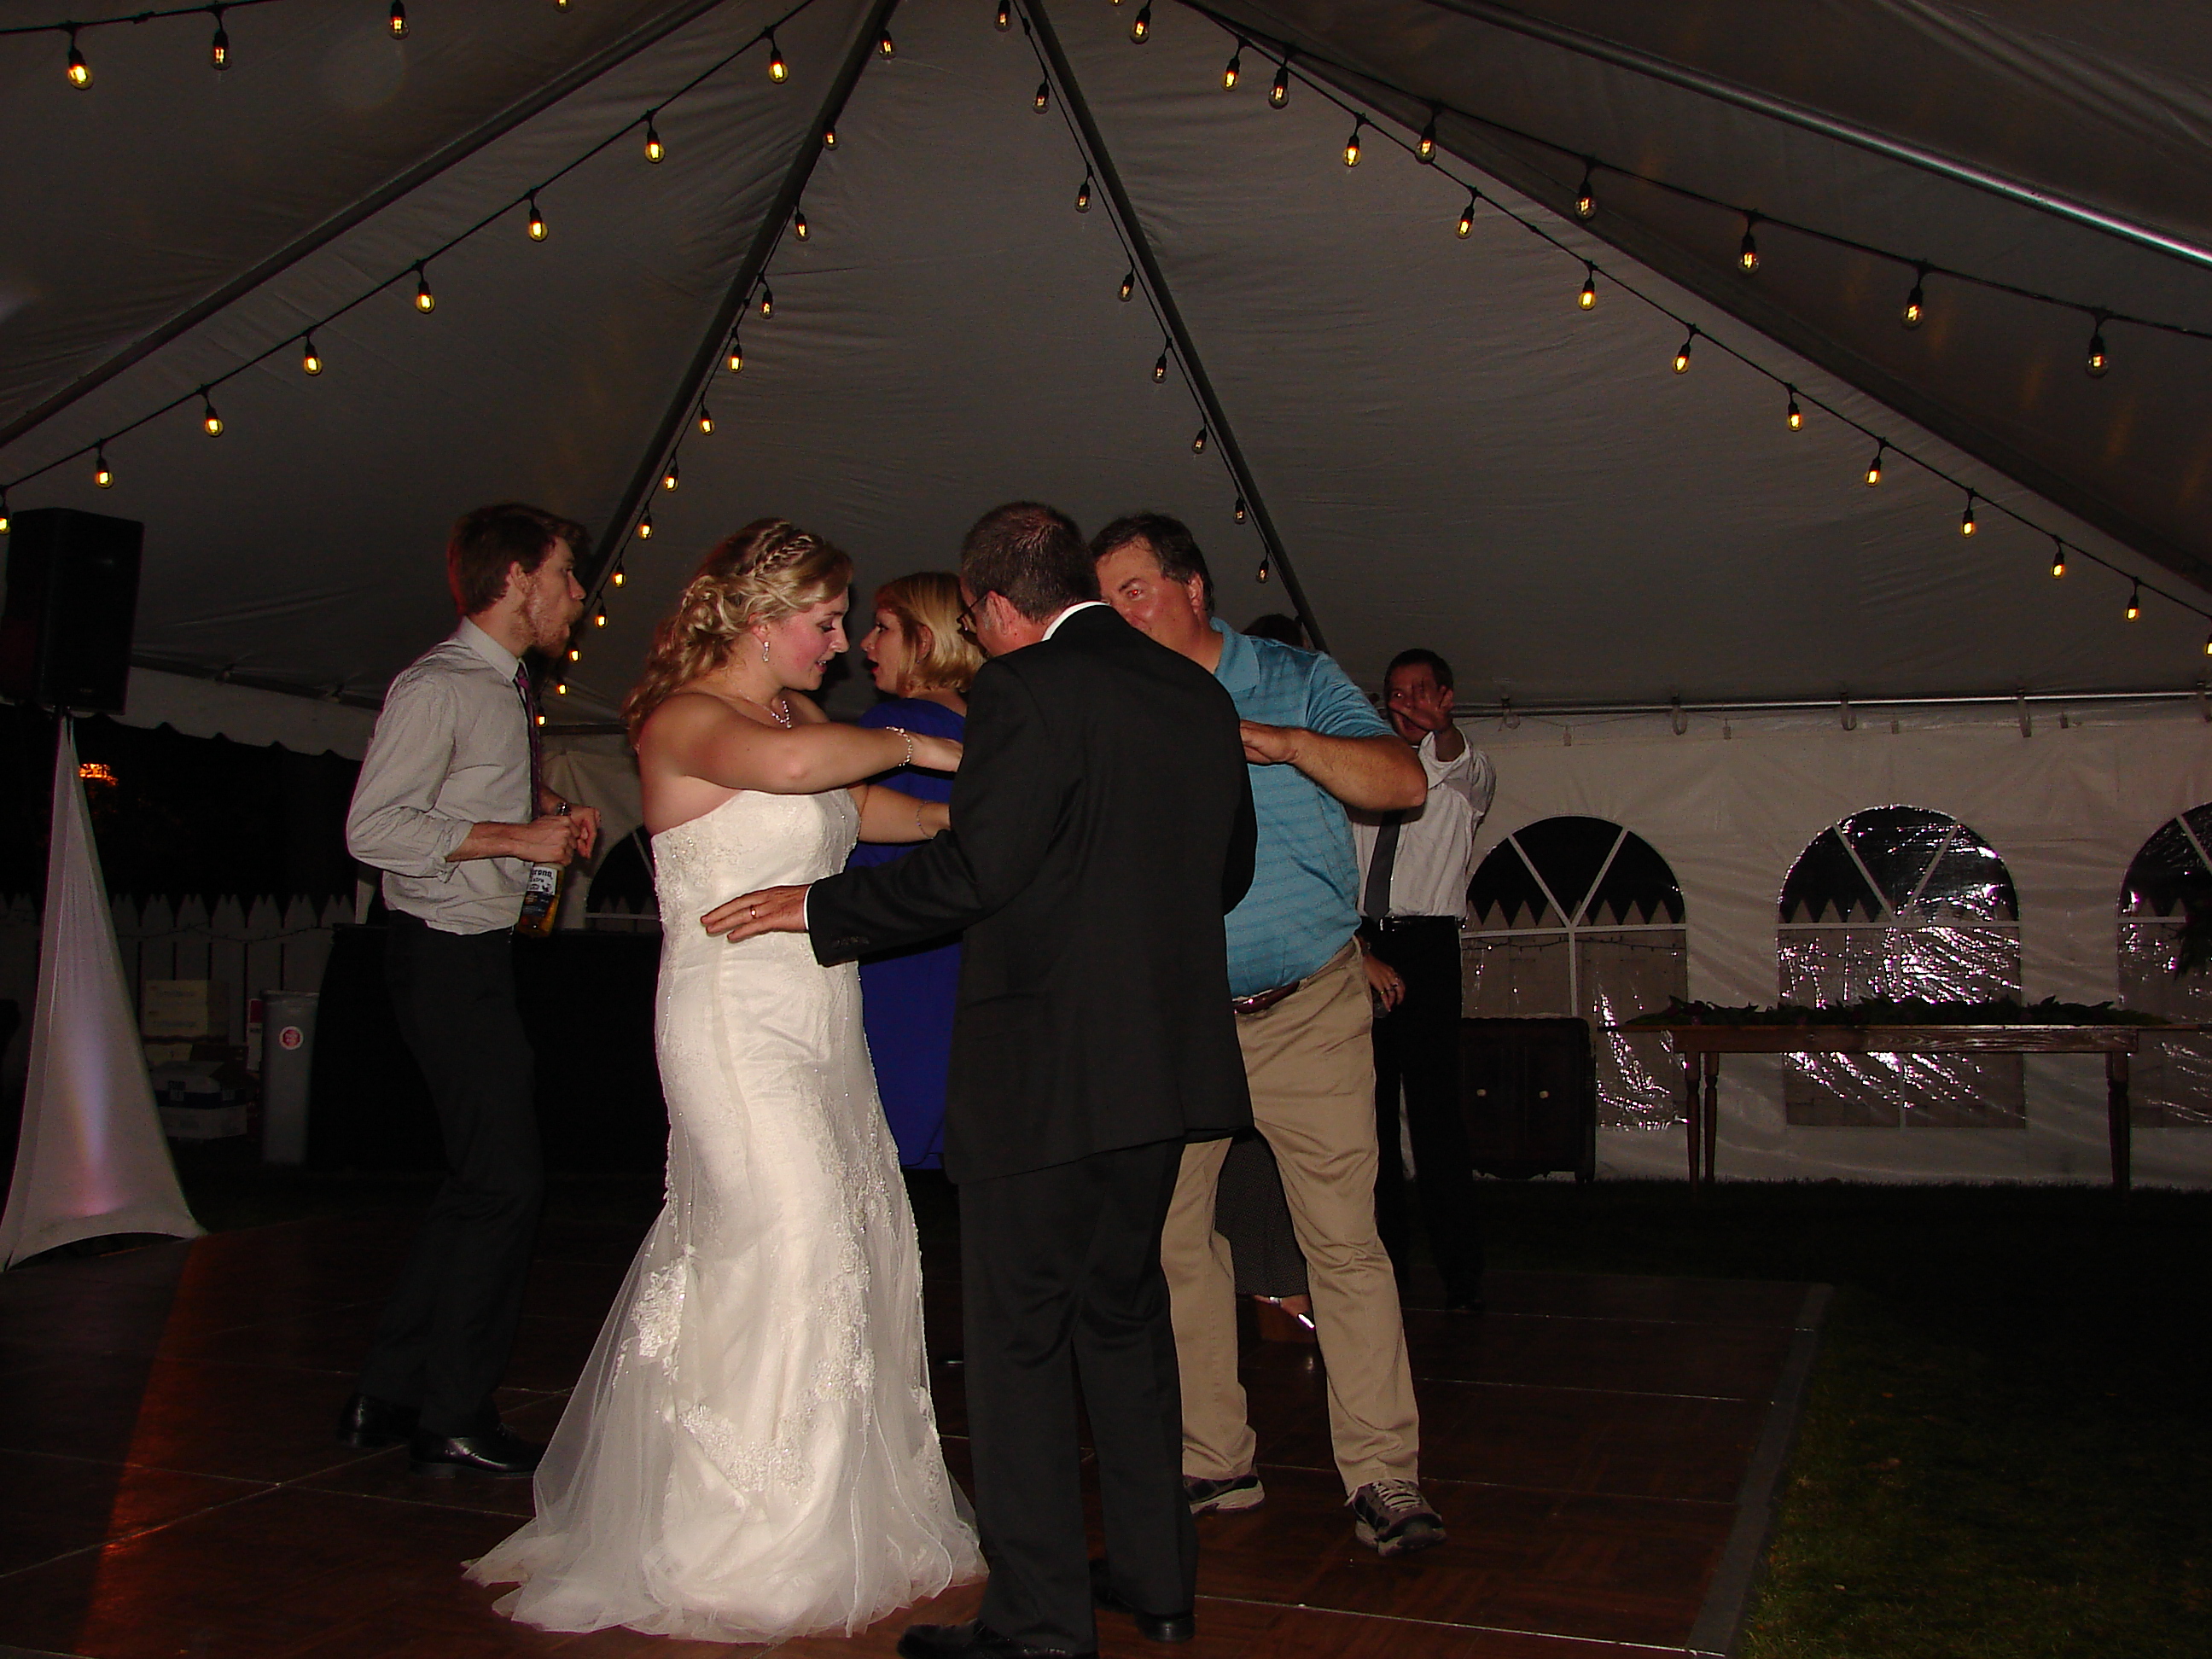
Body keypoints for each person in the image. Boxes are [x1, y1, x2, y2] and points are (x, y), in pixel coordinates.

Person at [710, 502, 1256, 1659]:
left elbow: (976, 871)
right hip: (1165, 1062)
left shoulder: (1023, 688)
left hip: (1045, 1068)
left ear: (997, 607)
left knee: (1018, 1340)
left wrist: (821, 909)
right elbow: (1227, 870)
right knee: (1125, 1315)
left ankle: (1039, 1620)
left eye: (976, 620)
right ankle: (1157, 1580)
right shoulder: (1193, 692)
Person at [467, 521, 981, 1641]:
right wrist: (916, 739)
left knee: (853, 1241)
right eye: (825, 621)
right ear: (759, 619)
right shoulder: (684, 718)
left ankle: (829, 1513)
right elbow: (800, 773)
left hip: (823, 1020)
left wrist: (975, 814)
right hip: (735, 1027)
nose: (839, 642)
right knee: (792, 1240)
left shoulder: (799, 720)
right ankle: (736, 1531)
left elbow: (859, 810)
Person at [1092, 512, 1451, 1560]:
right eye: (1104, 600)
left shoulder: (1295, 679)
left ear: (1194, 588)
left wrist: (1286, 745)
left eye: (1134, 591)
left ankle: (1382, 1474)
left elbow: (1403, 783)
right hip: (1180, 1019)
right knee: (1173, 1238)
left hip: (1307, 1011)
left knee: (1342, 1238)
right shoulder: (1112, 699)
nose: (1118, 615)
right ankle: (1215, 1459)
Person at [341, 502, 601, 1477]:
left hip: (472, 958)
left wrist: (544, 811)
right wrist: (513, 837)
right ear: (519, 579)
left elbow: (462, 795)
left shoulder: (504, 686)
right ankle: (453, 1413)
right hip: (443, 957)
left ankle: (384, 1395)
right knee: (506, 1184)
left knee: (479, 1182)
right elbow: (372, 828)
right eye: (566, 574)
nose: (578, 594)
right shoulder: (442, 685)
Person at [1354, 648, 1496, 1312]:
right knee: (1369, 1116)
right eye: (1396, 693)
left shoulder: (1463, 775)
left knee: (1436, 1115)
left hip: (1429, 947)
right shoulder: (1360, 766)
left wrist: (1444, 732)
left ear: (1446, 696)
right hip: (1365, 945)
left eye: (1420, 691)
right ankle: (1387, 1268)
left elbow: (1461, 761)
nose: (1406, 703)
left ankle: (1461, 1277)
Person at [850, 572, 985, 1168]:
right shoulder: (990, 733)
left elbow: (858, 858)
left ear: (923, 641)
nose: (865, 644)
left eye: (882, 628)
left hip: (894, 971)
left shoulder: (888, 733)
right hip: (962, 977)